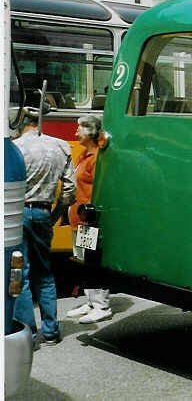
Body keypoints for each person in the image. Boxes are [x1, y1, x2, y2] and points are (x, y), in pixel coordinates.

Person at [13, 107, 75, 348]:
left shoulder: (14, 148)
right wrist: (55, 214)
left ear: (21, 124)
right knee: (45, 273)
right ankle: (50, 332)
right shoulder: (60, 146)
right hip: (42, 213)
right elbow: (69, 190)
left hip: (17, 213)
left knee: (21, 274)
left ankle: (27, 333)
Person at [65, 115, 113, 324]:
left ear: (91, 132)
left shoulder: (96, 159)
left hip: (88, 221)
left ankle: (101, 306)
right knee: (83, 261)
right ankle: (91, 301)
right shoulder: (84, 154)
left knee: (91, 262)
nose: (76, 133)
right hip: (78, 220)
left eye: (80, 129)